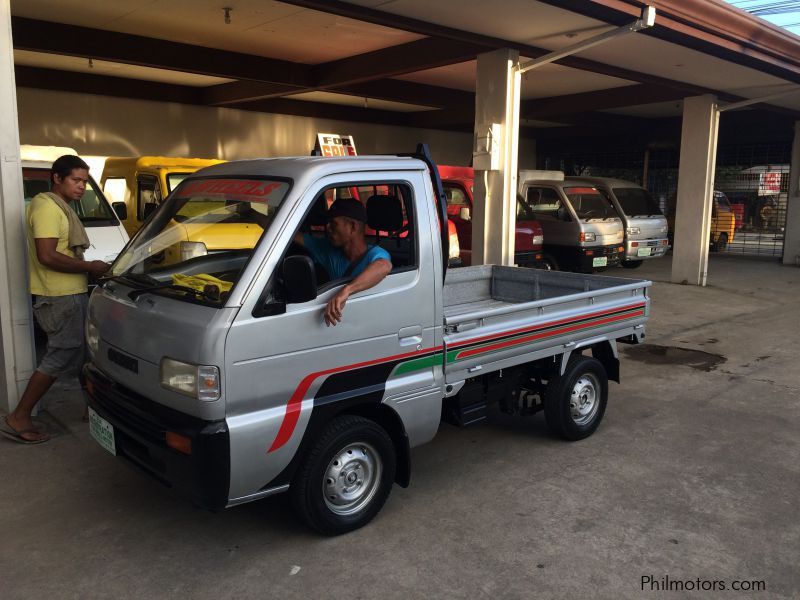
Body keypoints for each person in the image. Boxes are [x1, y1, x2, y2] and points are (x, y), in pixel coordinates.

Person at [1, 155, 109, 444]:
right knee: (60, 356)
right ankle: (19, 415)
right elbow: (46, 256)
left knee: (85, 354)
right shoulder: (48, 208)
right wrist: (90, 267)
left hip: (71, 294)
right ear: (57, 178)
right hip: (59, 298)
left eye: (85, 181)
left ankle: (94, 409)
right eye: (76, 180)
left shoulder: (61, 208)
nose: (81, 187)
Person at [296, 197, 392, 326]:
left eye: (333, 224)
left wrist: (347, 290)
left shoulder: (376, 255)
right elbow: (292, 237)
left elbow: (384, 266)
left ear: (353, 227)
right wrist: (259, 216)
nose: (328, 228)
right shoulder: (328, 250)